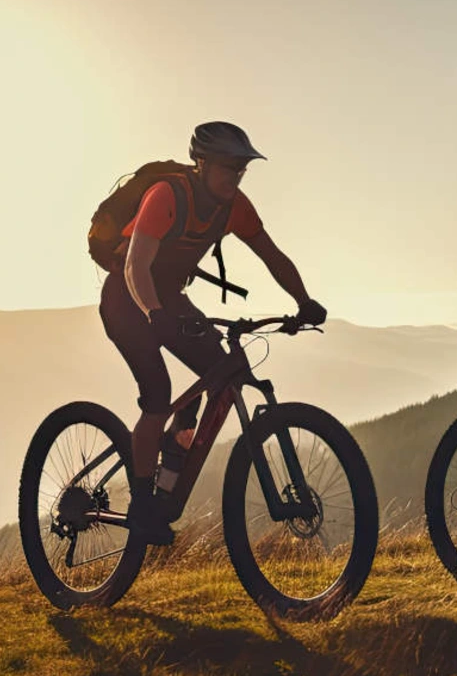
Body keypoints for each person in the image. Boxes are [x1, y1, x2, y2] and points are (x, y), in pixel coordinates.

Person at [99, 122, 326, 545]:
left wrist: (303, 301)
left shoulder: (235, 206)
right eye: (228, 167)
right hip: (127, 298)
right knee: (158, 395)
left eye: (241, 168)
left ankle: (173, 459)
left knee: (220, 371)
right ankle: (144, 503)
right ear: (201, 164)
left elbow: (271, 255)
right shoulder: (167, 196)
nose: (235, 176)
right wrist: (153, 313)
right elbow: (135, 266)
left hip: (167, 298)